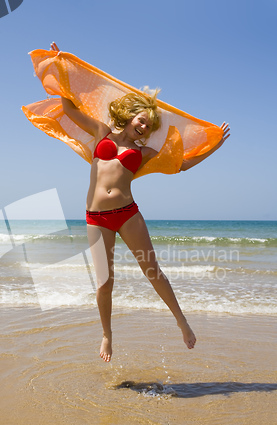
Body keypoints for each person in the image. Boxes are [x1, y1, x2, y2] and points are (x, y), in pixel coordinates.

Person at [50, 43, 230, 362]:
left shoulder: (145, 153)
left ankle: (182, 321)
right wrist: (63, 68)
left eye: (148, 125)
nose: (143, 126)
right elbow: (69, 109)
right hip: (96, 218)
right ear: (131, 116)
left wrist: (213, 146)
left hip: (128, 215)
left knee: (152, 270)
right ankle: (107, 335)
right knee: (105, 282)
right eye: (141, 119)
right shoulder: (102, 132)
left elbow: (183, 164)